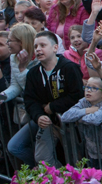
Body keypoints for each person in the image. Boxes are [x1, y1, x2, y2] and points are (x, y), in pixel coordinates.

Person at [7, 30, 83, 168]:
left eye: (43, 45)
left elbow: (77, 95)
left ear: (55, 48)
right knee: (41, 159)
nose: (38, 49)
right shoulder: (33, 73)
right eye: (36, 46)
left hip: (71, 123)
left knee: (76, 160)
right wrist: (38, 116)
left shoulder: (69, 68)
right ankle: (58, 176)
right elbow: (30, 100)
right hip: (47, 122)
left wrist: (52, 107)